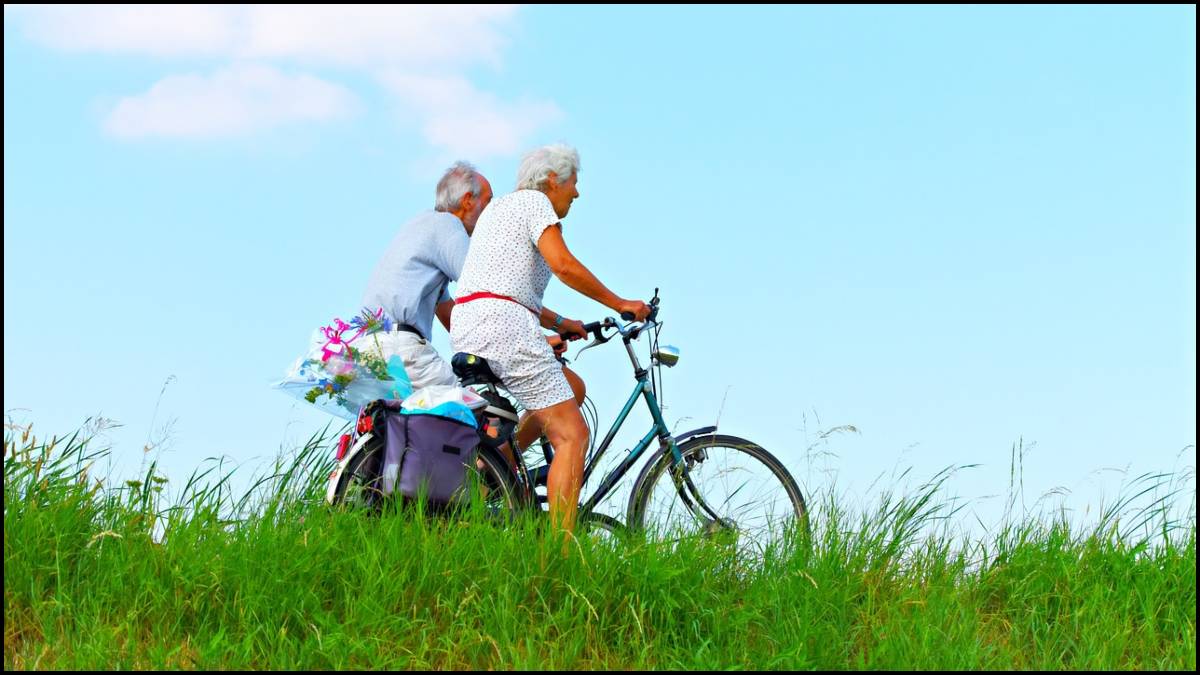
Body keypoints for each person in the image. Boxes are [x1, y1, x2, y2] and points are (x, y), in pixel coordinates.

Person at [450, 143, 651, 533]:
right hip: (503, 326)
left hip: (474, 323)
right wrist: (620, 302)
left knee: (571, 387)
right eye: (574, 183)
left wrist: (560, 322)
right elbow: (563, 264)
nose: (576, 193)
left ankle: (496, 469)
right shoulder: (535, 203)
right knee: (572, 434)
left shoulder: (501, 209)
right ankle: (559, 556)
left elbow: (501, 284)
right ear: (554, 180)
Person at [360, 162, 493, 391]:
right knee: (470, 411)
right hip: (402, 348)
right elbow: (485, 287)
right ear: (468, 200)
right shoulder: (448, 225)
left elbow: (448, 312)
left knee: (404, 422)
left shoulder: (420, 224)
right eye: (489, 202)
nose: (491, 212)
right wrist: (529, 343)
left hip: (369, 348)